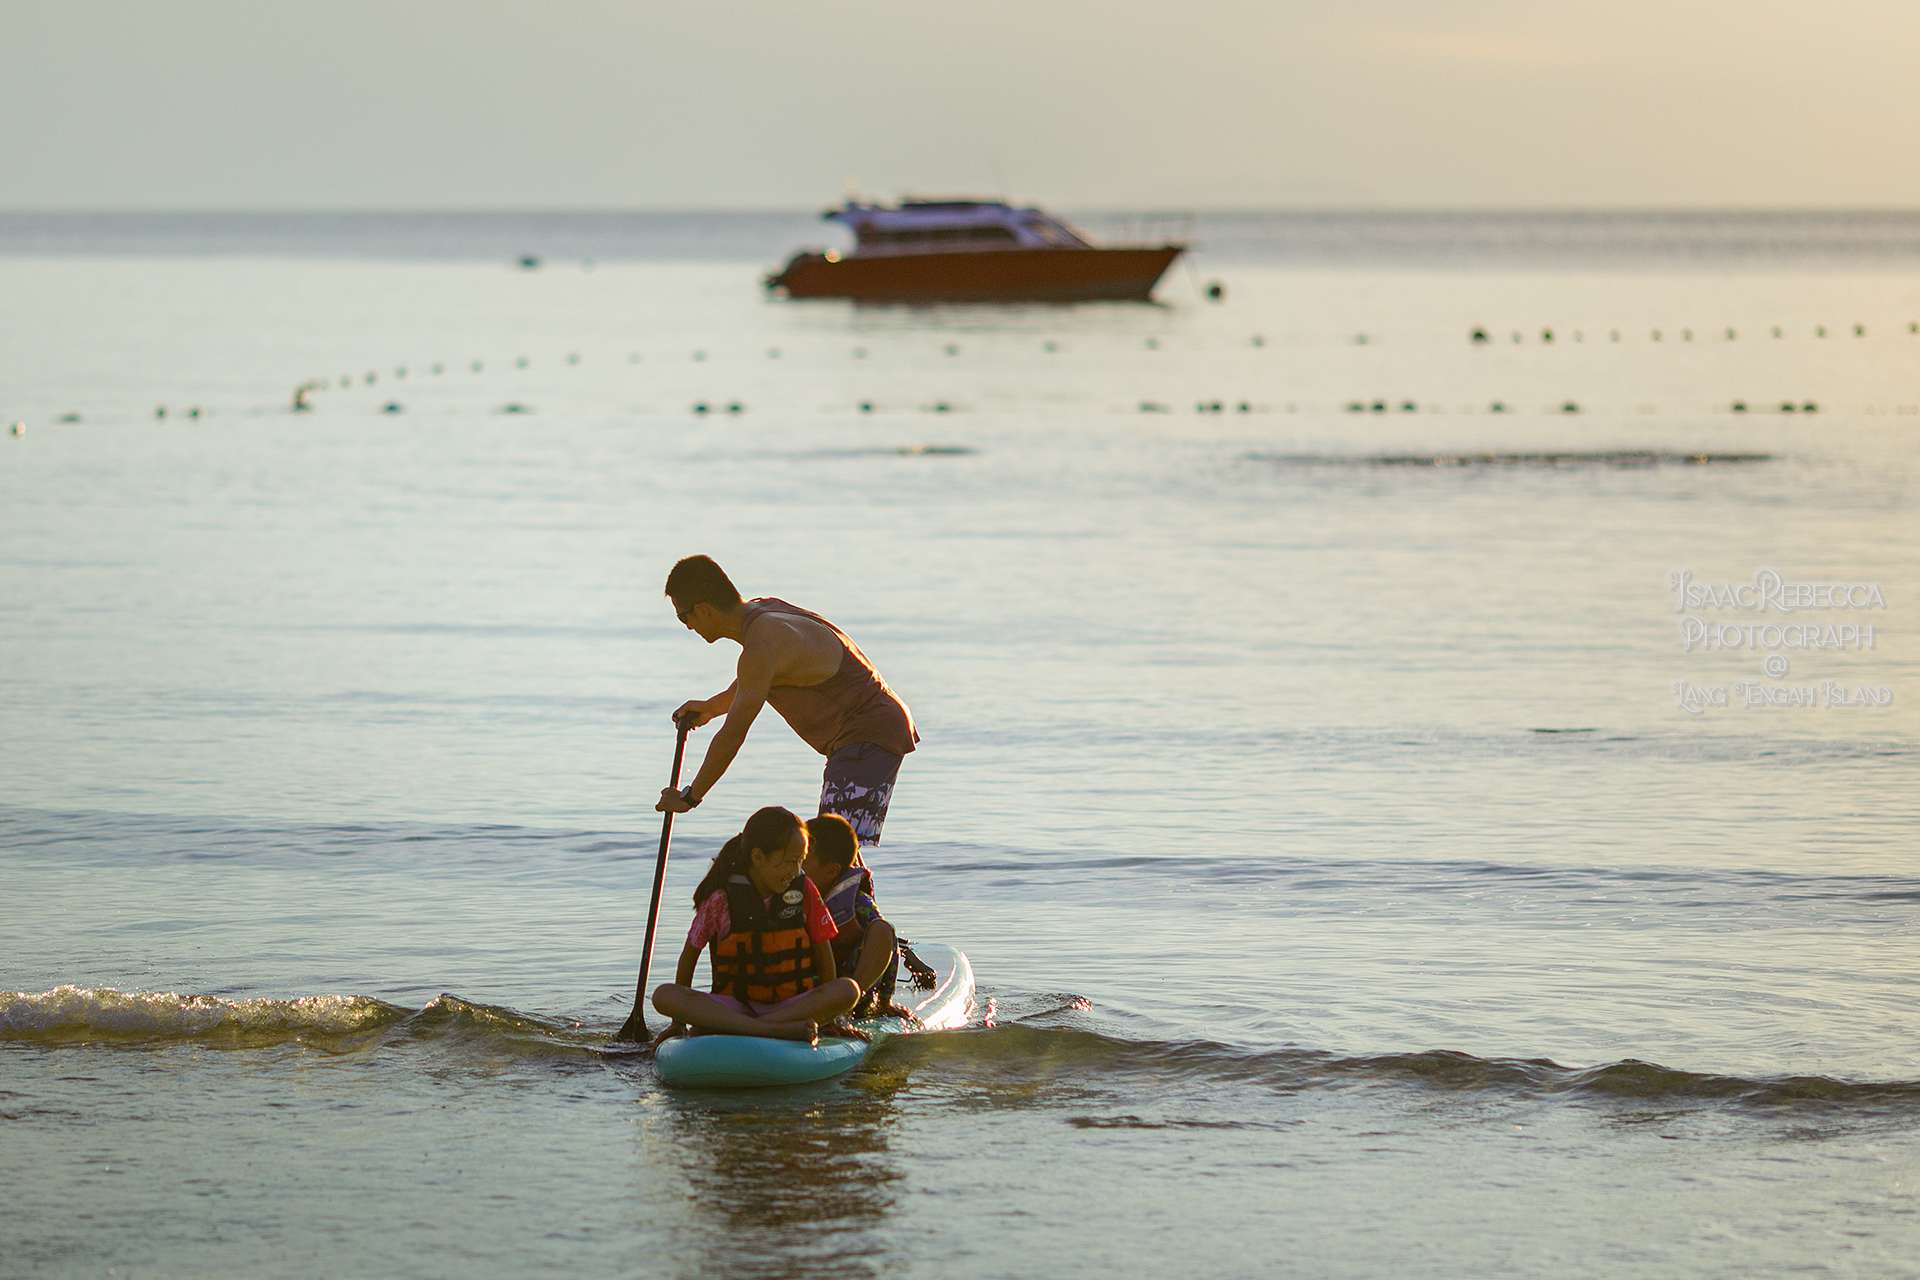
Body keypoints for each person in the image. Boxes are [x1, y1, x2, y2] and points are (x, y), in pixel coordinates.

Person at [656, 555, 917, 849]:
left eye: (683, 616)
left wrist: (689, 797)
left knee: (831, 855)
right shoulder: (765, 613)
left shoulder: (761, 645)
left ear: (703, 610)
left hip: (866, 734)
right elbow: (758, 679)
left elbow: (732, 735)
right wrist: (713, 707)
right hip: (872, 729)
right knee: (836, 853)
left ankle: (850, 894)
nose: (687, 626)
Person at [651, 806, 861, 1043]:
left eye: (800, 861)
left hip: (793, 1006)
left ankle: (742, 1028)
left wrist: (830, 1020)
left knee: (847, 989)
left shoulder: (805, 891)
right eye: (789, 861)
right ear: (758, 857)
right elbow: (689, 956)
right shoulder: (721, 899)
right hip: (735, 1006)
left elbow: (824, 955)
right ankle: (772, 1029)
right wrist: (677, 1024)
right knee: (664, 995)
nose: (796, 871)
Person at [803, 813, 913, 1018]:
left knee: (882, 929)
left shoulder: (858, 904)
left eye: (802, 859)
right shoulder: (787, 894)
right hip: (805, 990)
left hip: (849, 990)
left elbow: (887, 944)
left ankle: (847, 1009)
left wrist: (884, 999)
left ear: (830, 871)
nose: (793, 866)